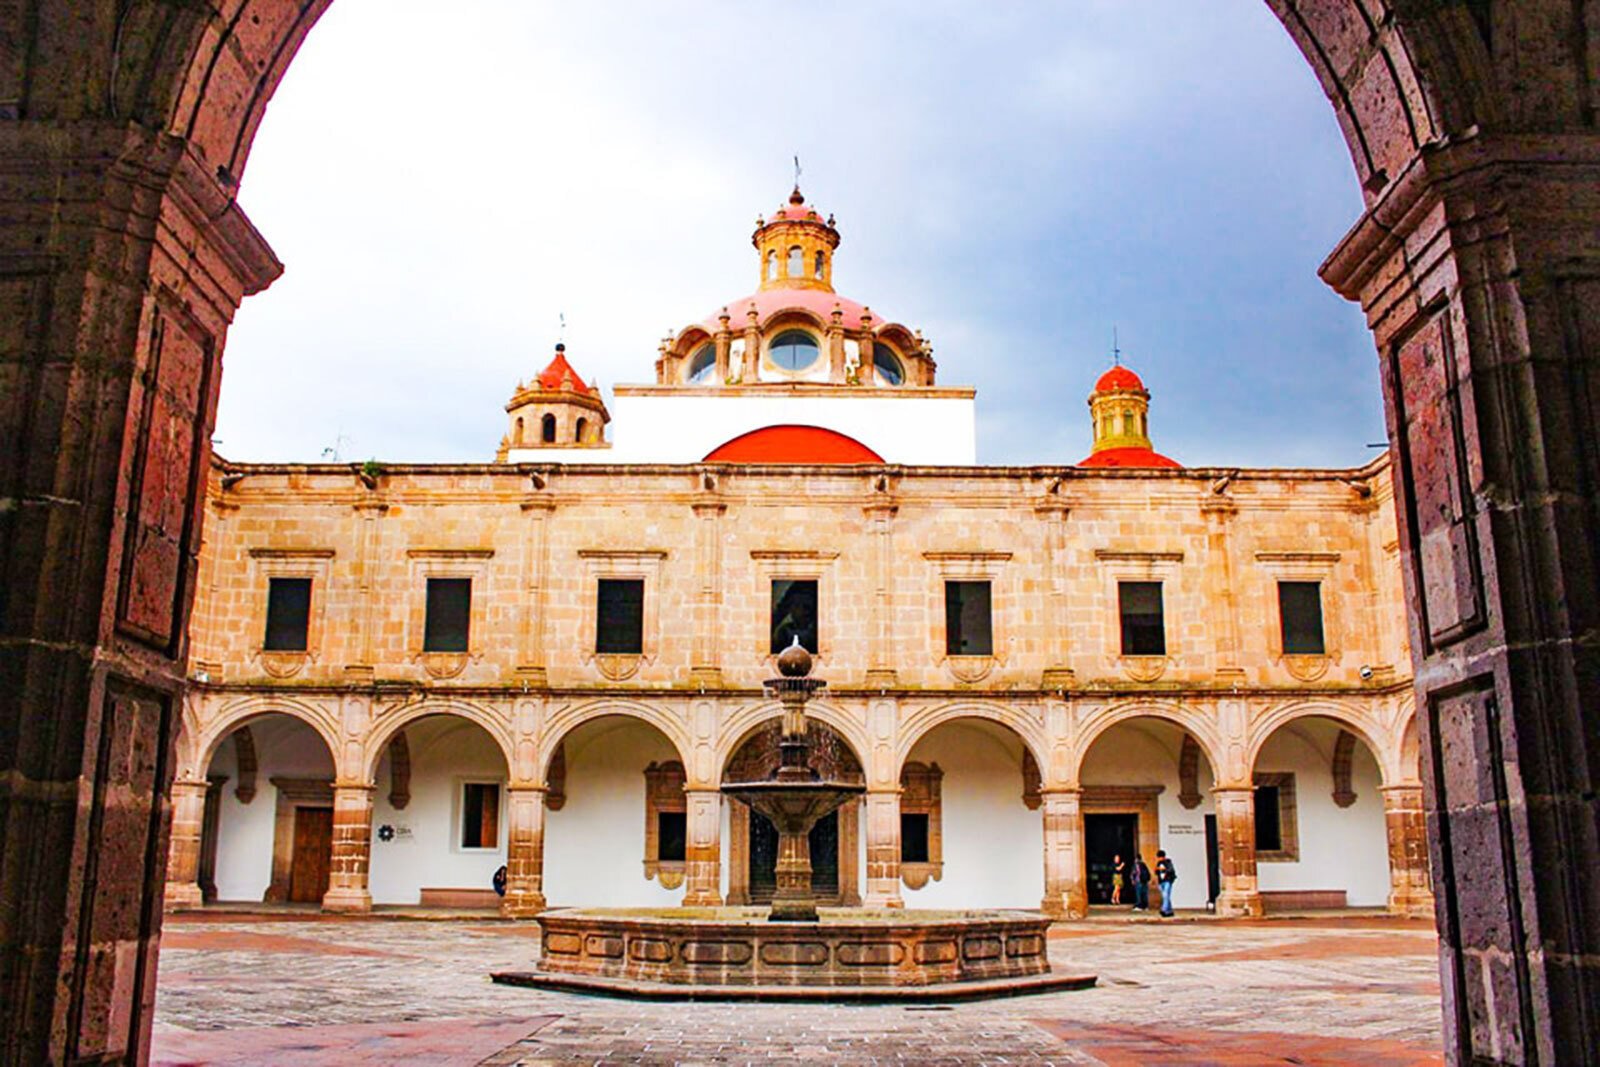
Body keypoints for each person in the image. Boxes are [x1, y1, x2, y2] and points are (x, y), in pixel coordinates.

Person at [1155, 849, 1177, 917]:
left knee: (1166, 895)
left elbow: (1170, 870)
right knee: (1165, 896)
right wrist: (1157, 870)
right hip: (1161, 881)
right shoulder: (1159, 863)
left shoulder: (1168, 862)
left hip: (1167, 880)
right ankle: (1169, 911)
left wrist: (1163, 869)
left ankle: (1164, 909)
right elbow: (1157, 872)